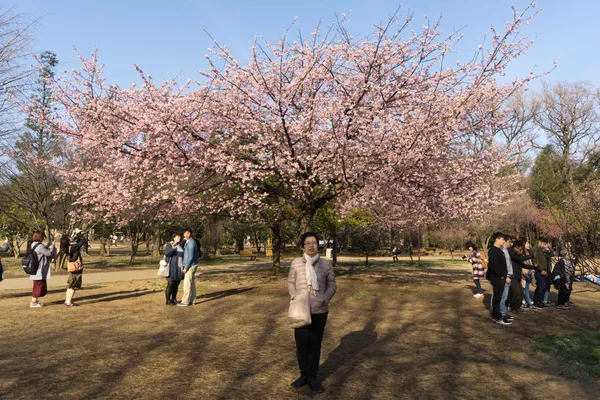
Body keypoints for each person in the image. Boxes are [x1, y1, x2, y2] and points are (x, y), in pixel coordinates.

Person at [287, 232, 337, 393]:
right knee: (301, 346)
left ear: (318, 245)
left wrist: (325, 299)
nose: (311, 245)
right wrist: (295, 297)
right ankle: (303, 376)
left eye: (314, 242)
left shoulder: (325, 265)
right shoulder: (296, 263)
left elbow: (332, 285)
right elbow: (290, 282)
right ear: (303, 245)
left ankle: (313, 377)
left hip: (319, 311)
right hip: (300, 311)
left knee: (315, 346)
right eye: (308, 242)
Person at [486, 232, 512, 325]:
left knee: (500, 297)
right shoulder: (493, 250)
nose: (503, 241)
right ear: (497, 239)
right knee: (497, 298)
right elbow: (495, 266)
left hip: (501, 277)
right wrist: (501, 275)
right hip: (497, 278)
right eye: (502, 239)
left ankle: (499, 315)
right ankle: (497, 317)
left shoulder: (499, 250)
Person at [29, 230, 56, 308]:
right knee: (38, 285)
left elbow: (44, 250)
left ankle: (35, 301)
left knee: (37, 284)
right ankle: (33, 302)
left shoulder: (33, 244)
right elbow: (48, 253)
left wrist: (48, 245)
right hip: (39, 269)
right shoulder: (40, 246)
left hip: (35, 268)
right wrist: (52, 246)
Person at [512, 239, 537, 310]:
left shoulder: (528, 252)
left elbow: (530, 262)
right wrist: (523, 273)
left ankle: (526, 301)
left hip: (528, 272)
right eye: (527, 243)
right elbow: (521, 262)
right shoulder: (520, 253)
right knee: (524, 288)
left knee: (526, 288)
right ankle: (527, 302)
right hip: (523, 273)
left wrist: (532, 270)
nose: (528, 245)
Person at [178, 227, 200, 307]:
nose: (186, 234)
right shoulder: (189, 241)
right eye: (185, 233)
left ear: (191, 233)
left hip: (190, 265)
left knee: (187, 284)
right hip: (193, 264)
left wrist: (186, 267)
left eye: (188, 233)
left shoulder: (191, 243)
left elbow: (190, 257)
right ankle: (192, 300)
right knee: (192, 283)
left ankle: (185, 301)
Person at [64, 231, 86, 307]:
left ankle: (67, 300)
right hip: (76, 267)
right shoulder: (75, 246)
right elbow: (83, 241)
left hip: (71, 266)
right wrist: (79, 233)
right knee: (74, 285)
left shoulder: (67, 246)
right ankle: (68, 301)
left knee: (70, 284)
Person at [164, 232, 184, 305]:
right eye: (177, 237)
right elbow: (167, 253)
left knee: (176, 284)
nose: (179, 238)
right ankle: (168, 300)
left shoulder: (181, 245)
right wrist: (174, 247)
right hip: (171, 267)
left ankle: (174, 299)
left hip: (179, 268)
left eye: (179, 236)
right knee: (170, 283)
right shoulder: (170, 245)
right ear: (173, 238)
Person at [532, 238, 552, 308]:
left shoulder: (541, 249)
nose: (545, 245)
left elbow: (549, 256)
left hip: (545, 270)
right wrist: (541, 269)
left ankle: (540, 301)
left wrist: (549, 250)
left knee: (543, 287)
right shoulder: (535, 249)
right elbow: (535, 261)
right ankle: (537, 301)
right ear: (540, 242)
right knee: (541, 287)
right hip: (539, 271)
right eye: (544, 244)